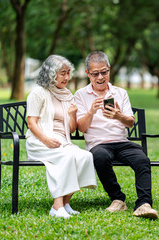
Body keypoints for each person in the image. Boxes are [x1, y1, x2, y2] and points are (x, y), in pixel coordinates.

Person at [74, 51, 158, 219]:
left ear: (109, 70)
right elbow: (82, 128)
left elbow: (130, 122)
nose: (100, 77)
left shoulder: (120, 93)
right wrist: (91, 111)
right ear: (87, 74)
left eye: (104, 72)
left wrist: (119, 115)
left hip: (121, 142)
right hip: (98, 144)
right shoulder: (80, 95)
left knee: (142, 159)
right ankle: (118, 199)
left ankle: (144, 203)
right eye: (95, 73)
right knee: (99, 157)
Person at [26, 55, 97, 219]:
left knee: (85, 157)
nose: (66, 77)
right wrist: (46, 140)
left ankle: (65, 203)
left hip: (62, 141)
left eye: (67, 73)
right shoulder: (38, 93)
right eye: (62, 73)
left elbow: (71, 129)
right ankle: (56, 207)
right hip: (39, 141)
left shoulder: (66, 95)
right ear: (51, 74)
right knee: (66, 157)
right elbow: (31, 123)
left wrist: (72, 115)